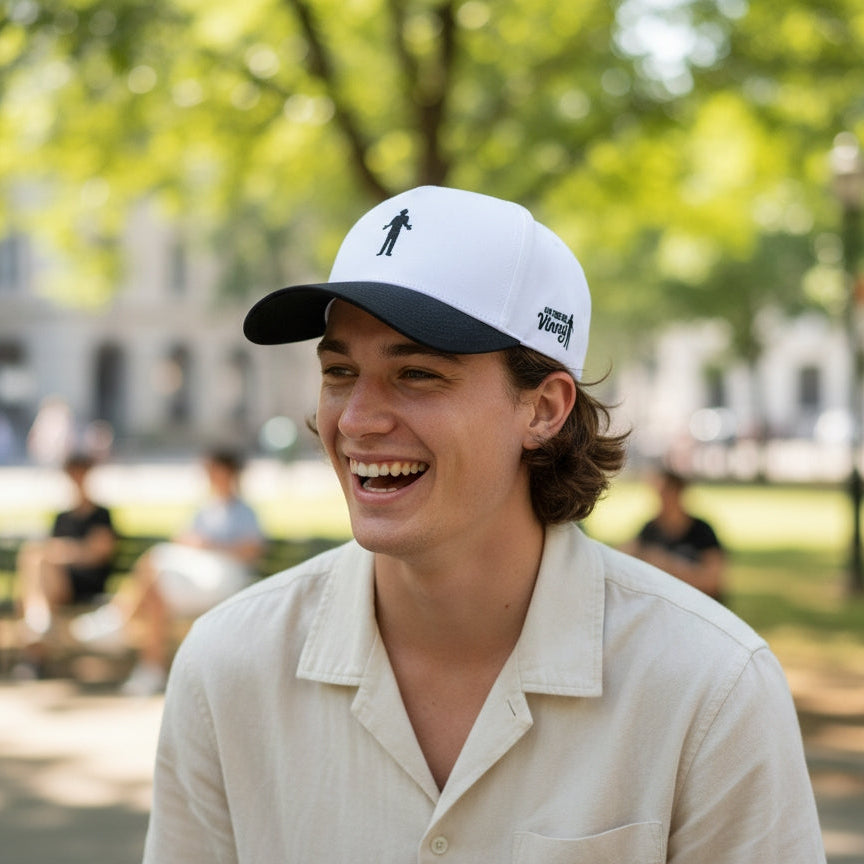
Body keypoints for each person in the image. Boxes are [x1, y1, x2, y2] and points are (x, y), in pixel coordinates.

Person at [143, 186, 825, 862]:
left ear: (544, 408)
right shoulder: (228, 667)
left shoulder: (710, 690)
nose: (355, 419)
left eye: (416, 373)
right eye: (340, 371)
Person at [72, 449, 264, 696]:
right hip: (196, 574)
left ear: (229, 473)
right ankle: (146, 664)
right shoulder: (205, 510)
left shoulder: (244, 512)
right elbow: (183, 540)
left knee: (155, 568)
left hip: (223, 579)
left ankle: (120, 627)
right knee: (155, 590)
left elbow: (252, 550)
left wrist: (208, 545)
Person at [14, 452, 116, 678]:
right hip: (56, 583)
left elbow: (98, 554)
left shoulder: (101, 514)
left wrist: (62, 552)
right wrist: (67, 551)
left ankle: (37, 626)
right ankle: (38, 630)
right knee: (33, 561)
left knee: (36, 562)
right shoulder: (62, 517)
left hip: (85, 583)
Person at [625, 467, 727, 603]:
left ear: (678, 494)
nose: (661, 500)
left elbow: (712, 582)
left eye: (665, 494)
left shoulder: (702, 531)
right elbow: (627, 556)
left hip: (698, 605)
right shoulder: (650, 529)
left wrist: (667, 566)